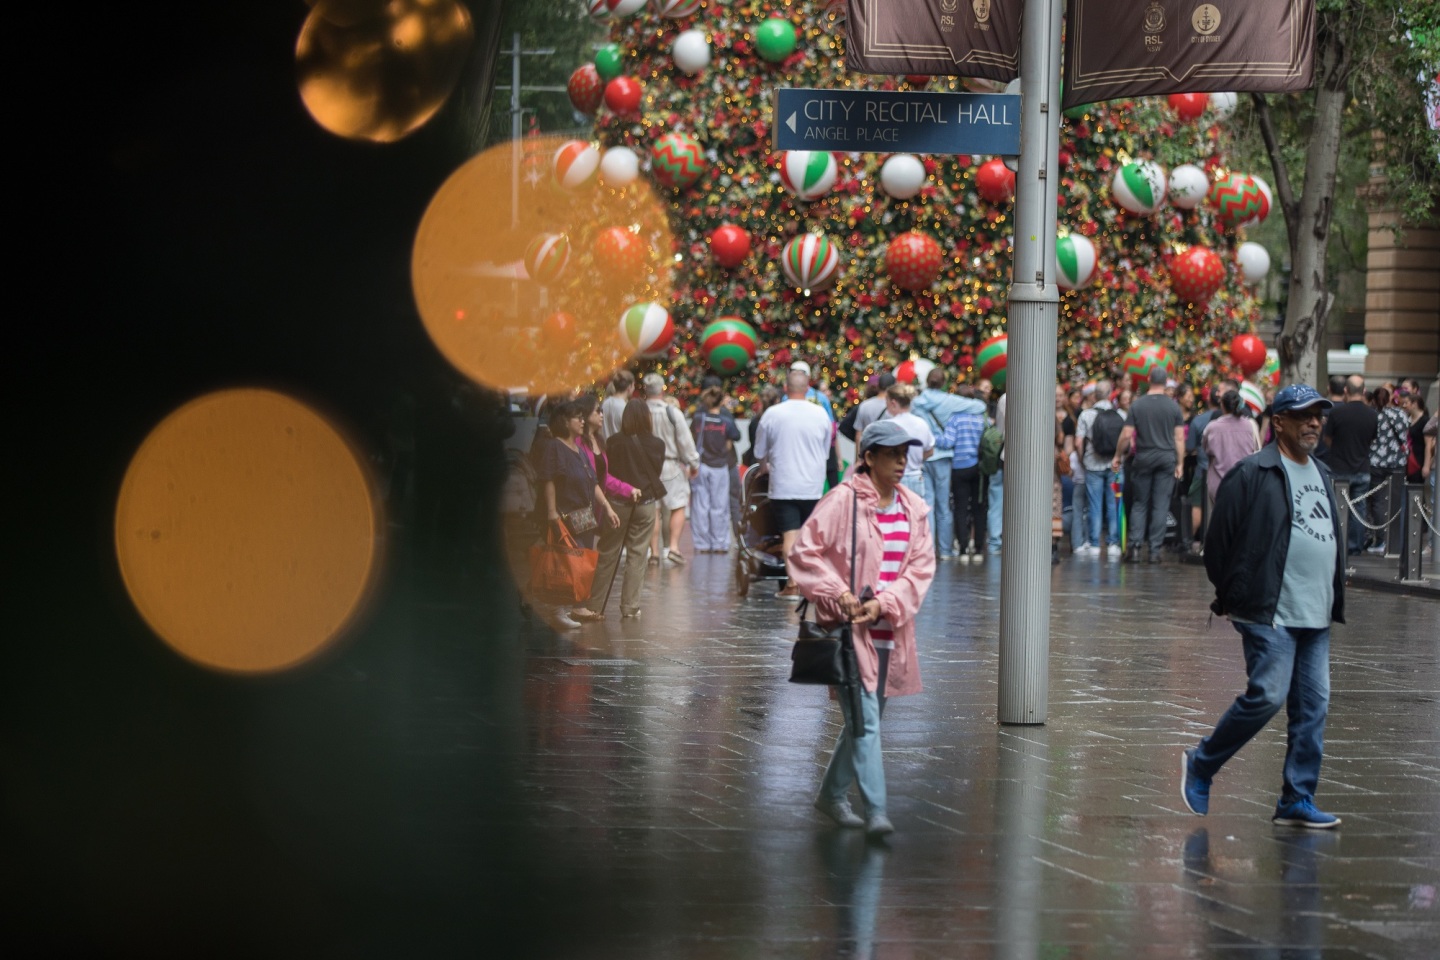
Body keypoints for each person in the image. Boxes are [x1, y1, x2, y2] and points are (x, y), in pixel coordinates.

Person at [1183, 383, 1346, 829]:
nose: (1315, 422)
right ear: (1279, 422)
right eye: (1304, 415)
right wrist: (1236, 596)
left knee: (1313, 708)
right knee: (1268, 696)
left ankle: (1297, 798)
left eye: (1320, 415)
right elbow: (1218, 543)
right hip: (1267, 611)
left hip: (1316, 611)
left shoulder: (1323, 473)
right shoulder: (1253, 472)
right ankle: (1202, 762)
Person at [789, 419, 937, 837]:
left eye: (904, 454)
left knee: (861, 722)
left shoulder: (914, 507)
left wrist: (885, 604)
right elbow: (805, 553)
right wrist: (840, 593)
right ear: (868, 458)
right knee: (867, 722)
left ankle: (830, 796)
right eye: (891, 454)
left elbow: (921, 566)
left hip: (892, 630)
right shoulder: (843, 501)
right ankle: (877, 812)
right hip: (850, 635)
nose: (901, 462)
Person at [537, 401, 618, 630]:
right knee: (562, 562)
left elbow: (593, 483)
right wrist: (552, 512)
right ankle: (557, 609)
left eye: (583, 417)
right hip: (565, 515)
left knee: (580, 561)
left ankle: (573, 604)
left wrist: (608, 507)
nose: (582, 421)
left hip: (584, 517)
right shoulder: (555, 446)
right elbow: (549, 479)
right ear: (564, 421)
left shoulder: (580, 450)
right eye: (577, 418)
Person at [754, 369, 834, 598]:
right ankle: (808, 582)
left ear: (786, 389)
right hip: (812, 485)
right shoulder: (820, 414)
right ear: (808, 387)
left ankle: (792, 584)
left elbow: (760, 450)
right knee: (809, 536)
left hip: (783, 484)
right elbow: (825, 449)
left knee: (790, 535)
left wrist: (763, 466)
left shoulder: (773, 414)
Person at [589, 398, 665, 620]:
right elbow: (656, 473)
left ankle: (595, 604)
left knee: (608, 552)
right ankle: (630, 606)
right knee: (638, 555)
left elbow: (607, 473)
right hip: (646, 504)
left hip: (618, 503)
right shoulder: (658, 444)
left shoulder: (612, 442)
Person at [913, 368, 987, 559]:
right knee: (944, 505)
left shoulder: (916, 402)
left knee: (927, 502)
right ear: (944, 382)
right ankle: (945, 550)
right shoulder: (948, 401)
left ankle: (928, 549)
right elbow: (979, 407)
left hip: (924, 455)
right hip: (944, 456)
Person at [1113, 368, 1185, 563]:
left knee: (1140, 503)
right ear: (1166, 382)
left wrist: (1118, 455)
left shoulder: (1138, 405)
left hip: (1143, 457)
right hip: (1166, 457)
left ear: (1148, 380)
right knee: (1161, 505)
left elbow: (1127, 434)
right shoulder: (1173, 407)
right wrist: (1180, 462)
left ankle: (1135, 548)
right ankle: (1154, 551)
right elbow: (1179, 437)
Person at [644, 374, 701, 565]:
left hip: (646, 467)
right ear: (662, 390)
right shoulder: (672, 412)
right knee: (677, 505)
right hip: (670, 465)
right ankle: (673, 547)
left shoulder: (639, 412)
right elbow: (685, 440)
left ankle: (654, 552)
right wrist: (693, 463)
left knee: (653, 508)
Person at [1320, 375, 1378, 555]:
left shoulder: (1337, 413)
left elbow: (1327, 439)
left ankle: (1338, 545)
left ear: (1346, 391)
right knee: (1358, 510)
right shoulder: (1372, 414)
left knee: (1337, 509)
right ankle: (1354, 547)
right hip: (1362, 468)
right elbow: (1372, 440)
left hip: (1339, 468)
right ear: (1364, 391)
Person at [1074, 379, 1124, 559]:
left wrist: (1082, 461)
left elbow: (1078, 442)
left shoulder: (1086, 415)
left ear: (1095, 395)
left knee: (1094, 505)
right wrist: (1120, 457)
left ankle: (1094, 544)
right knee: (1113, 504)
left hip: (1092, 465)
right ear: (1111, 394)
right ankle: (1113, 543)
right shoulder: (1121, 415)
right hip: (1114, 466)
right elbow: (1127, 440)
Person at [936, 385, 987, 561]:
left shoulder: (955, 419)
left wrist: (933, 437)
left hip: (960, 467)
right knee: (979, 507)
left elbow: (948, 442)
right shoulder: (981, 418)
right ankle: (979, 548)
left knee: (960, 508)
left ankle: (963, 549)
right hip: (979, 468)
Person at [690, 385, 741, 553]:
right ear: (721, 402)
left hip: (702, 466)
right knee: (720, 506)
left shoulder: (698, 419)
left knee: (700, 505)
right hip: (720, 466)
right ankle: (719, 543)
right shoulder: (726, 422)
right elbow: (735, 437)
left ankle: (702, 544)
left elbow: (692, 437)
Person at [867, 383, 933, 500]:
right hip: (916, 477)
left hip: (895, 478)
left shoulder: (890, 425)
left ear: (893, 403)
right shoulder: (921, 423)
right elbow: (930, 451)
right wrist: (916, 458)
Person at [1365, 385, 1409, 552]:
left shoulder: (1373, 416)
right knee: (1397, 501)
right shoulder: (1401, 414)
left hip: (1377, 462)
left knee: (1377, 502)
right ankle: (1397, 540)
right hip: (1398, 462)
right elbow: (1406, 433)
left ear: (1375, 400)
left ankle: (1381, 539)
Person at [1202, 388, 1261, 508]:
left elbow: (1205, 448)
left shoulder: (1212, 427)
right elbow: (1257, 450)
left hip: (1218, 485)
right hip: (1245, 484)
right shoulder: (1250, 425)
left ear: (1222, 405)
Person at [601, 369, 634, 440]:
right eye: (633, 385)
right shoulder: (625, 407)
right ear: (629, 387)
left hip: (606, 447)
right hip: (621, 448)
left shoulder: (605, 403)